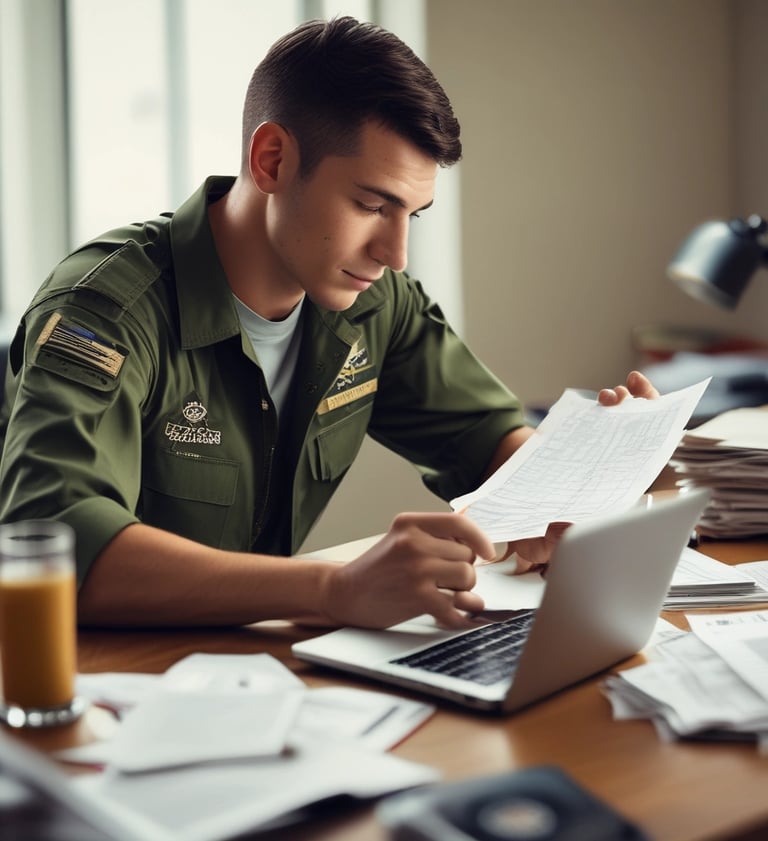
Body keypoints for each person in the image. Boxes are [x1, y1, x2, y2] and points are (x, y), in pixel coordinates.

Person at [0, 16, 657, 630]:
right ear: (272, 161)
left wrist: (585, 482)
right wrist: (331, 589)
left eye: (412, 215)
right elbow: (55, 540)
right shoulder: (105, 310)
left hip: (249, 672)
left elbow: (485, 438)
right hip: (83, 690)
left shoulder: (374, 302)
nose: (395, 253)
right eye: (372, 205)